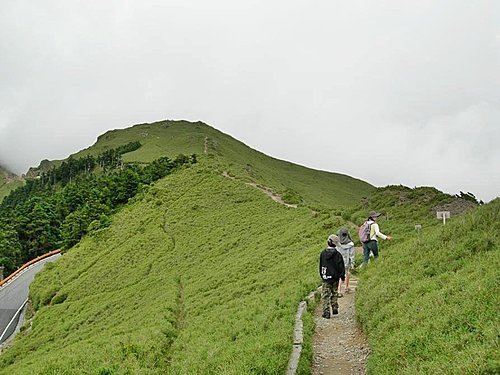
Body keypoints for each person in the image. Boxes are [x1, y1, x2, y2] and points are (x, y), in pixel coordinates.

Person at [319, 234, 346, 318]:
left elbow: (321, 265)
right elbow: (341, 266)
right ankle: (334, 307)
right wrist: (342, 276)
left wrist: (322, 275)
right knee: (334, 293)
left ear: (328, 242)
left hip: (326, 277)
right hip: (335, 278)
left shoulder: (323, 253)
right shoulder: (338, 254)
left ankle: (326, 312)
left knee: (325, 295)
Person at [336, 227, 355, 295]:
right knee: (347, 274)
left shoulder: (337, 244)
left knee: (340, 276)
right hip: (346, 262)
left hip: (338, 263)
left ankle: (339, 290)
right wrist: (352, 263)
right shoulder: (350, 244)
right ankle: (346, 288)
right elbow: (351, 255)